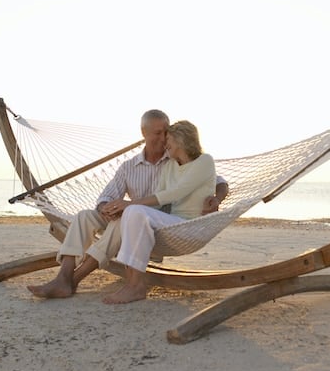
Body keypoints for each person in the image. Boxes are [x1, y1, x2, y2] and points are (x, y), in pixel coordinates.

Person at [27, 111, 228, 299]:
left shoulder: (175, 159)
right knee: (84, 216)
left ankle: (74, 279)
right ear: (144, 133)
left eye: (166, 133)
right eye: (158, 133)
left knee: (126, 217)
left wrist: (217, 198)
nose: (164, 138)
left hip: (150, 224)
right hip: (130, 214)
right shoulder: (129, 167)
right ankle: (64, 276)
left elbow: (217, 181)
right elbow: (107, 196)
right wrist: (106, 209)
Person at [103, 120, 215, 304]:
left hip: (193, 227)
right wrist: (123, 210)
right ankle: (133, 284)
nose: (165, 143)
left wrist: (130, 205)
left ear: (181, 139)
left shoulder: (205, 161)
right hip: (172, 223)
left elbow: (174, 193)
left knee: (134, 209)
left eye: (168, 139)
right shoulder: (170, 165)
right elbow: (158, 200)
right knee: (134, 212)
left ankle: (134, 286)